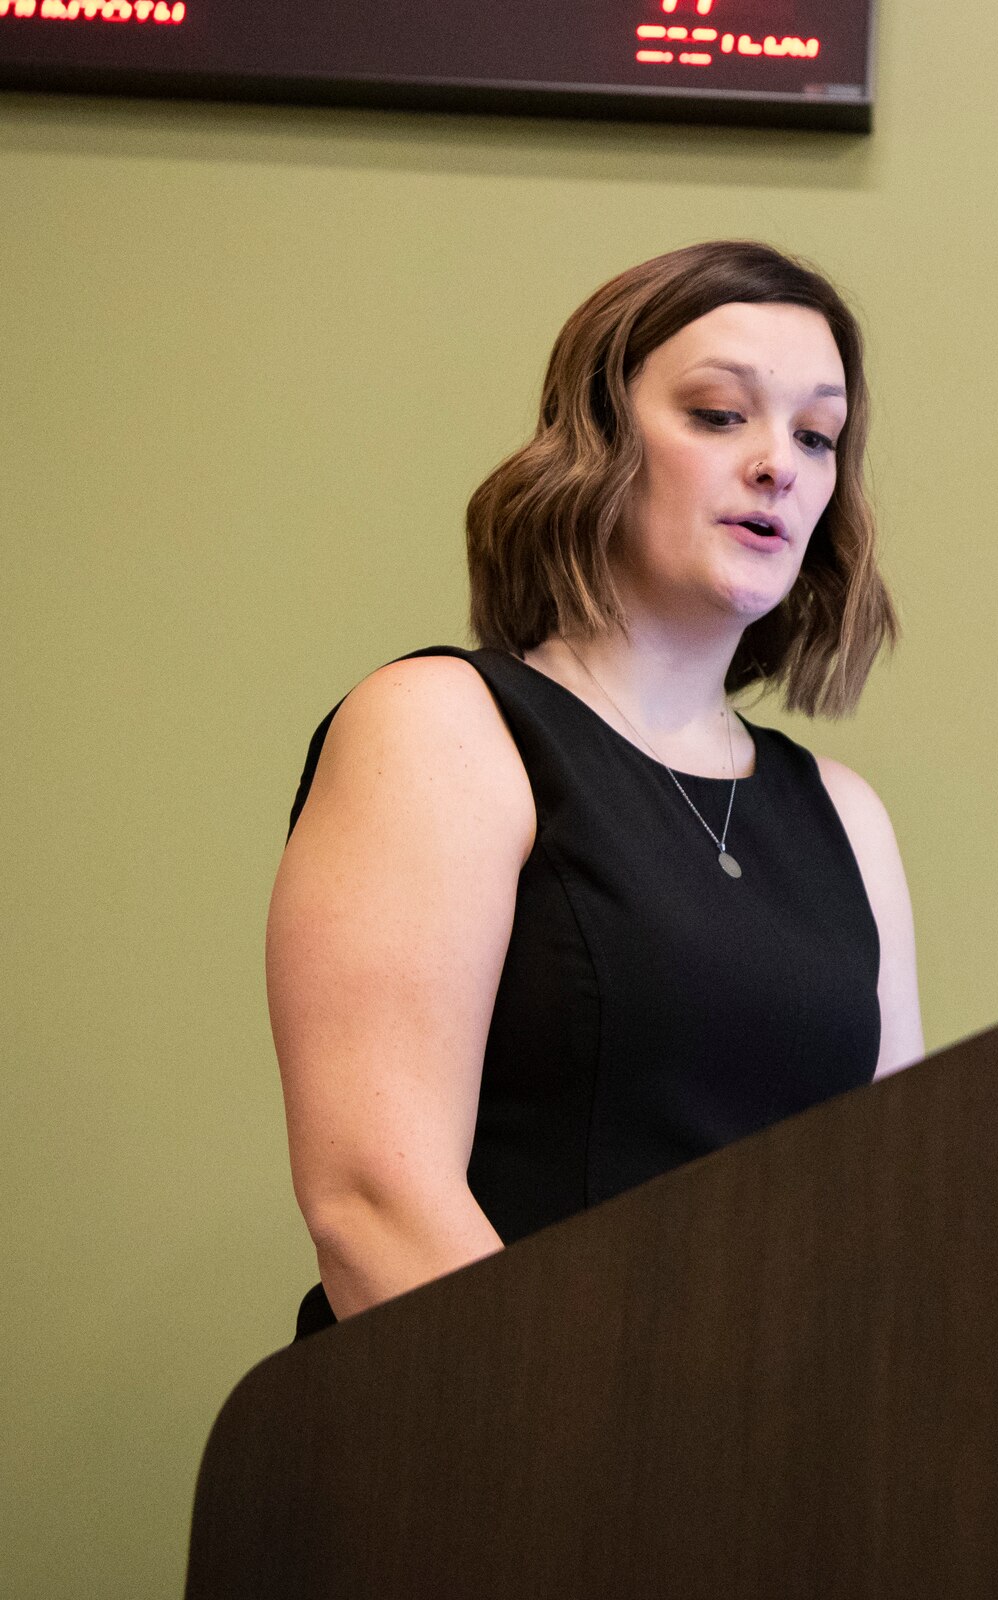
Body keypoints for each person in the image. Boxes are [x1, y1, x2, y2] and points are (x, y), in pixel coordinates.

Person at [267, 241, 922, 1339]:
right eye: (720, 414)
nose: (780, 464)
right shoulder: (443, 723)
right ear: (599, 445)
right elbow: (373, 1207)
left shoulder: (846, 817)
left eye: (817, 435)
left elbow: (894, 1216)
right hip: (491, 1453)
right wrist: (619, 1457)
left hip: (765, 1468)